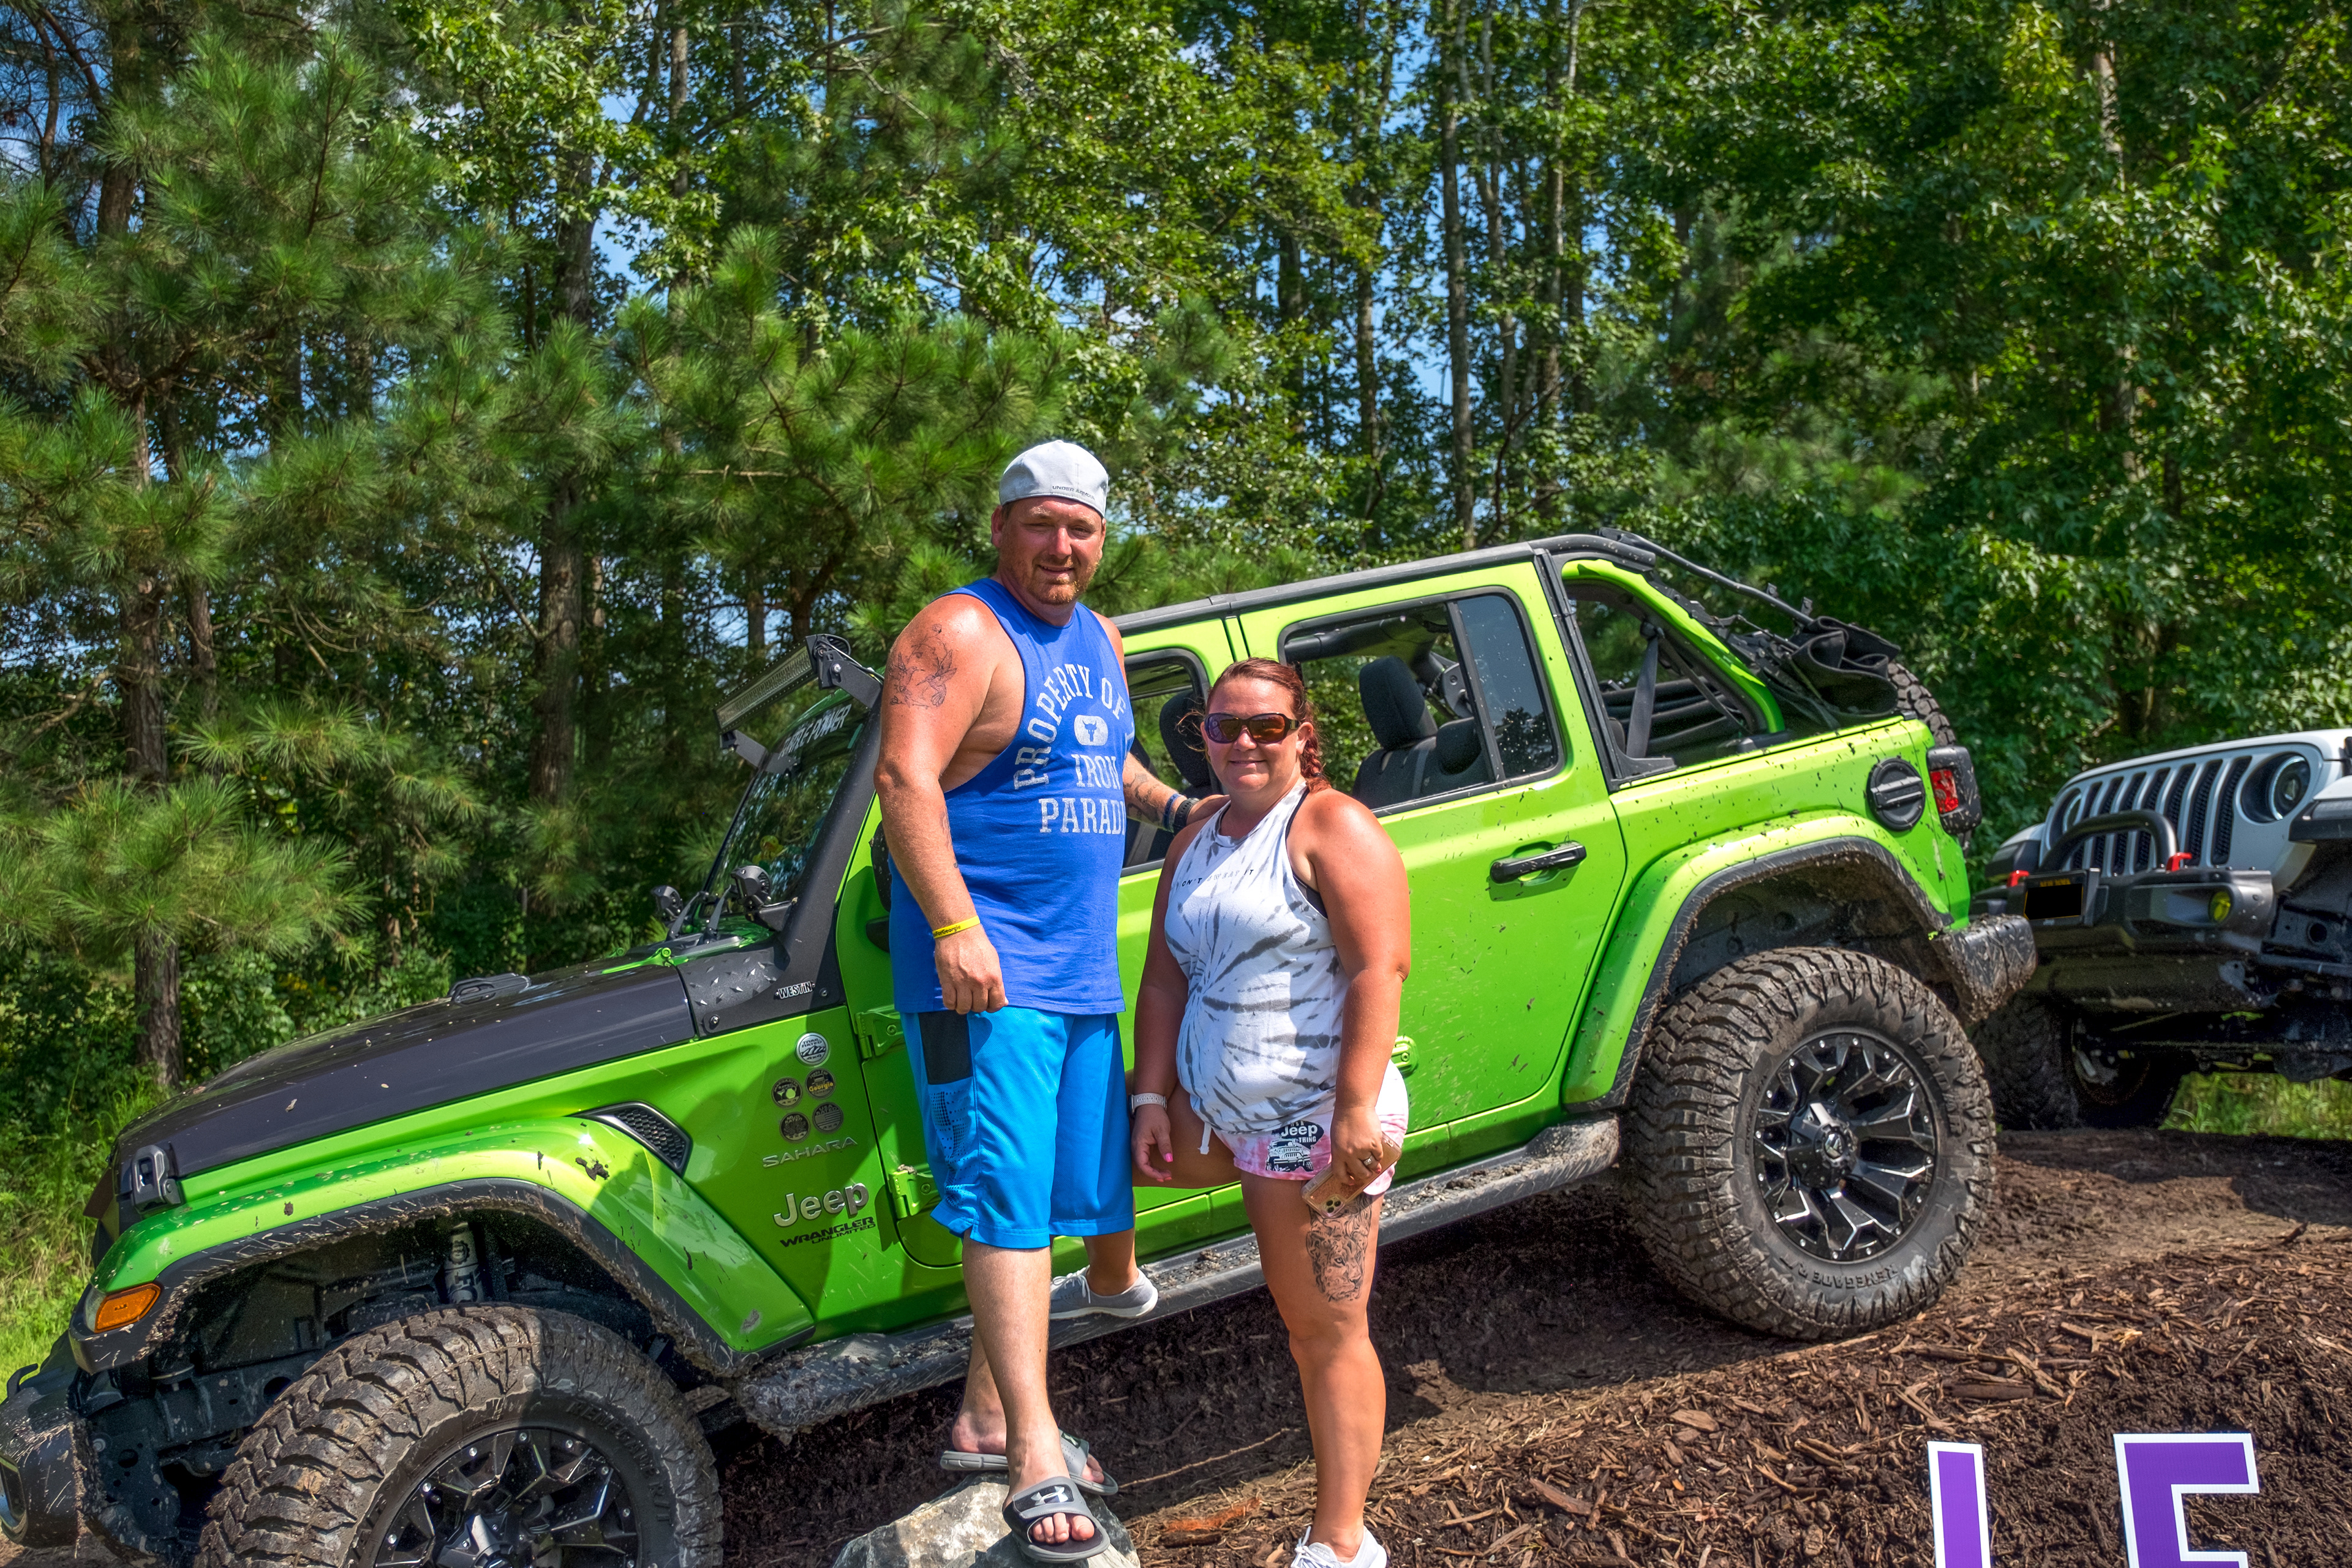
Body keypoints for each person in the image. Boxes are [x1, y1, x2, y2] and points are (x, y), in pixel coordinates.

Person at [875, 440, 1209, 1561]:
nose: (1062, 547)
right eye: (1041, 525)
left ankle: (984, 1413)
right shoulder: (958, 631)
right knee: (1007, 1204)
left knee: (1051, 1200)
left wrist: (1183, 811)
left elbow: (1100, 759)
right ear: (1001, 527)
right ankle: (1031, 1453)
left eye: (1082, 529)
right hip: (985, 975)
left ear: (1101, 537)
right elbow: (903, 777)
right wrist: (955, 928)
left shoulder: (1099, 637)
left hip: (1075, 969)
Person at [1129, 657, 1413, 1568]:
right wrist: (1149, 1098)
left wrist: (1356, 1110)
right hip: (1219, 1111)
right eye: (1224, 726)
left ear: (1303, 735)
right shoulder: (1198, 838)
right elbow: (1164, 979)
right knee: (1084, 1148)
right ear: (1203, 738)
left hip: (1313, 1122)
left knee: (1323, 1330)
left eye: (1268, 726)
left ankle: (1342, 1544)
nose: (1245, 741)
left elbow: (1379, 969)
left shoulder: (1330, 824)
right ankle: (1102, 1293)